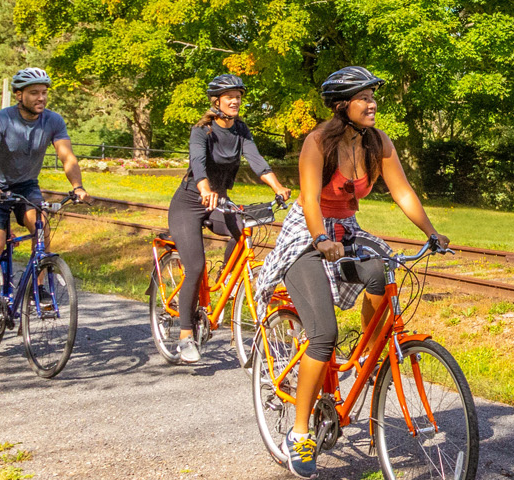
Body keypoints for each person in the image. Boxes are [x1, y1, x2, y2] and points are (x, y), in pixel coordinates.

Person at [251, 66, 450, 478]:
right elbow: (308, 200)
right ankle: (301, 435)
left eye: (374, 96)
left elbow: (402, 191)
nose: (373, 103)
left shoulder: (378, 142)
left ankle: (367, 357)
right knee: (323, 335)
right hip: (308, 233)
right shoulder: (317, 143)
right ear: (342, 106)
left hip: (348, 229)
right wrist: (321, 238)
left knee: (382, 271)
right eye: (365, 97)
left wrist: (431, 232)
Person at [164, 73, 291, 363]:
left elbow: (256, 160)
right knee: (195, 267)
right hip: (190, 202)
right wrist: (205, 187)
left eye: (239, 96)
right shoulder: (203, 131)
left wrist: (278, 187)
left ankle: (223, 281)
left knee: (245, 227)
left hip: (218, 201)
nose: (235, 100)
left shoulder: (241, 130)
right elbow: (197, 162)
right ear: (217, 101)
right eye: (229, 96)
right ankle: (185, 336)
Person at [0, 67, 89, 328]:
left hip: (26, 186)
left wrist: (77, 186)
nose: (41, 98)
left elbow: (67, 157)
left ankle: (39, 289)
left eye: (44, 93)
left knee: (40, 226)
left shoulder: (53, 121)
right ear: (19, 95)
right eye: (34, 93)